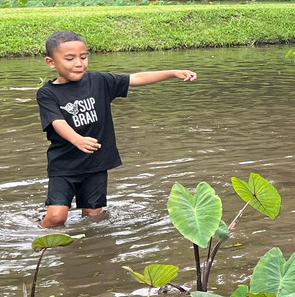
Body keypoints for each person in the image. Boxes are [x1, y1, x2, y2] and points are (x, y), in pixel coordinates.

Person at [36, 31, 197, 227]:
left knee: (94, 215)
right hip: (64, 165)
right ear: (51, 62)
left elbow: (135, 79)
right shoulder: (47, 93)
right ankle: (37, 238)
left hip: (96, 162)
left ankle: (90, 249)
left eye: (84, 57)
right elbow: (56, 121)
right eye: (70, 58)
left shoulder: (99, 81)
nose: (79, 63)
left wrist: (172, 73)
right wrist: (77, 139)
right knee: (57, 217)